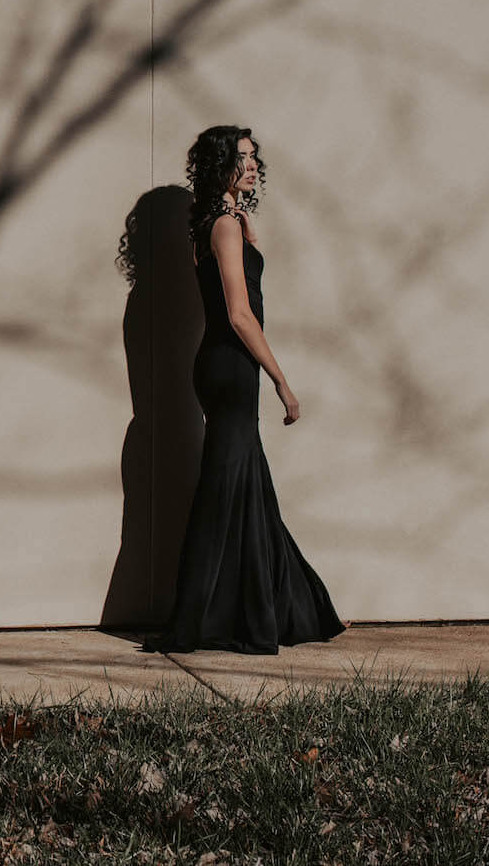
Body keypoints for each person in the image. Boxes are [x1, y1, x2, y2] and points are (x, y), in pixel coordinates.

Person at [149, 126, 343, 655]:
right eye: (242, 157)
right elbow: (238, 314)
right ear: (221, 165)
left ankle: (280, 607)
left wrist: (245, 230)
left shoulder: (218, 224)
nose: (254, 165)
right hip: (231, 369)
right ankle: (195, 622)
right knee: (223, 493)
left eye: (255, 157)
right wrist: (282, 381)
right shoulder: (224, 227)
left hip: (222, 367)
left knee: (246, 490)